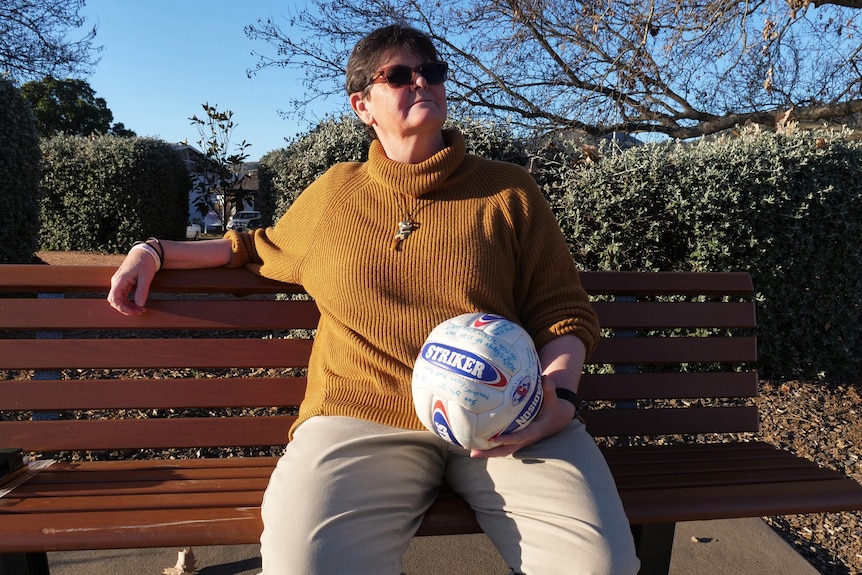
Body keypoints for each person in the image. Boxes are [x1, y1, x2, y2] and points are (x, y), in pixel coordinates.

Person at [108, 24, 639, 575]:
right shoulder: (338, 193)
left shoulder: (508, 191)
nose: (422, 82)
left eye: (432, 72)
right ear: (363, 105)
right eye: (401, 75)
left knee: (598, 566)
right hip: (360, 415)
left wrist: (559, 399)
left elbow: (562, 311)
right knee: (302, 566)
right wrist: (152, 251)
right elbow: (253, 247)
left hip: (505, 417)